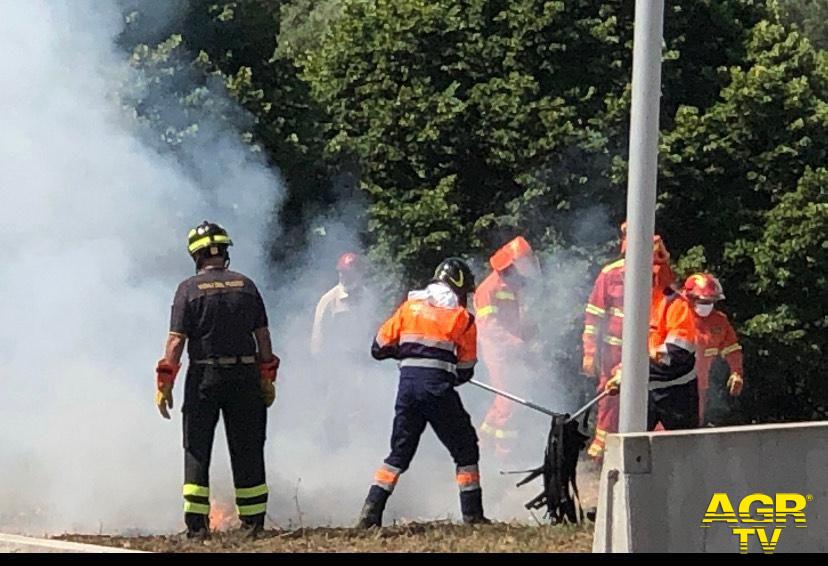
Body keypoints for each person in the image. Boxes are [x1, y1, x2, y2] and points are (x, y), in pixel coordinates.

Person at [155, 221, 280, 539]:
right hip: (245, 376)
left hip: (205, 377)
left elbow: (175, 341)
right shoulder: (247, 285)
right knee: (248, 447)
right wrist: (267, 376)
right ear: (225, 252)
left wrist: (165, 382)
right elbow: (263, 338)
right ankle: (253, 526)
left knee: (197, 448)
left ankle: (197, 529)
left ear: (195, 256)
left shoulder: (188, 289)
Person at [356, 258, 489, 527]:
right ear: (459, 286)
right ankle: (473, 516)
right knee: (465, 449)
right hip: (438, 390)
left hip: (407, 390)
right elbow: (465, 369)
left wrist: (406, 352)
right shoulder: (462, 318)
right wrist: (447, 371)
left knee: (399, 453)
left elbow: (378, 348)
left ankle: (370, 514)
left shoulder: (410, 307)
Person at [583, 225, 677, 457]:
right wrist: (589, 352)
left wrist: (662, 260)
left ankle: (652, 451)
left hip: (646, 350)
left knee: (650, 397)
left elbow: (669, 292)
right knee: (610, 399)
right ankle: (602, 452)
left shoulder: (655, 272)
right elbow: (593, 317)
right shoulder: (609, 275)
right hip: (612, 352)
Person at [604, 236, 699, 431]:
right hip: (644, 393)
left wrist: (632, 372)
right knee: (635, 448)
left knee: (682, 452)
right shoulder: (637, 305)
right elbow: (638, 350)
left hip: (676, 395)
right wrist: (622, 372)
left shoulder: (675, 303)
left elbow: (676, 353)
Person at [474, 236, 541, 457]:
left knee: (505, 400)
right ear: (510, 264)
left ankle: (483, 444)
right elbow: (489, 327)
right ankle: (505, 456)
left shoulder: (511, 287)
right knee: (508, 403)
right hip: (498, 353)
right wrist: (517, 343)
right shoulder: (488, 289)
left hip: (512, 350)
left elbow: (515, 320)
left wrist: (528, 332)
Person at [682, 273, 744, 423]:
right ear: (690, 298)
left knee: (700, 422)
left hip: (703, 386)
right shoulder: (677, 317)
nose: (707, 305)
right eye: (703, 301)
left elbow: (732, 349)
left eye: (710, 301)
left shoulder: (719, 321)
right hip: (676, 385)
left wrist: (737, 373)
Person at [311, 252, 369, 358]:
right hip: (336, 360)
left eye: (347, 273)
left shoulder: (367, 296)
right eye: (341, 272)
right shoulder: (328, 300)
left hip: (362, 358)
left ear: (359, 274)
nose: (342, 276)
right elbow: (318, 336)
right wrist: (319, 361)